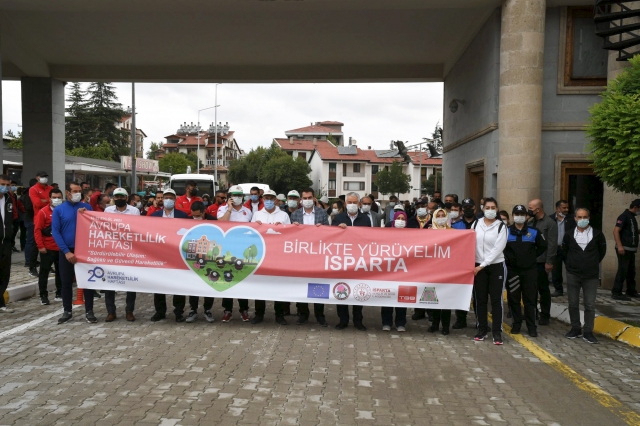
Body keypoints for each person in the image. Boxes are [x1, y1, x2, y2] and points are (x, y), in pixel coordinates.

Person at [53, 182, 96, 323]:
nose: (78, 193)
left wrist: (86, 215)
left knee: (87, 282)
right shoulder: (59, 210)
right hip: (67, 251)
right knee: (66, 282)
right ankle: (67, 311)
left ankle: (89, 310)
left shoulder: (86, 207)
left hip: (84, 250)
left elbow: (94, 227)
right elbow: (56, 232)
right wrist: (66, 251)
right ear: (68, 192)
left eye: (79, 191)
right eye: (75, 191)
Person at [563, 208, 607, 344]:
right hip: (573, 274)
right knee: (573, 303)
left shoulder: (598, 234)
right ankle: (575, 328)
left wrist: (590, 262)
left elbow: (602, 252)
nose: (582, 220)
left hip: (591, 275)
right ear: (575, 218)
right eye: (580, 217)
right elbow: (564, 252)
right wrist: (571, 264)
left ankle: (588, 331)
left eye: (585, 217)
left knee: (589, 304)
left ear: (589, 218)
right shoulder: (569, 234)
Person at [504, 205, 547, 337]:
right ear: (513, 216)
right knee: (514, 299)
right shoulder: (506, 231)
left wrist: (531, 257)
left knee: (530, 299)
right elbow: (501, 248)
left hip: (529, 271)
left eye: (522, 213)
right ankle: (516, 324)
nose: (519, 216)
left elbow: (542, 246)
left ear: (526, 216)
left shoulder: (534, 232)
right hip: (513, 271)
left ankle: (531, 326)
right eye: (516, 213)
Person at [251, 189, 291, 325]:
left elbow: (290, 234)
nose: (268, 200)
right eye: (266, 198)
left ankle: (279, 315)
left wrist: (283, 228)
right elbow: (251, 232)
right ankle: (259, 314)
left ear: (276, 200)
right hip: (261, 255)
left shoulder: (284, 215)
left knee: (277, 286)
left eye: (271, 198)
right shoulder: (256, 214)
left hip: (278, 256)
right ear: (262, 199)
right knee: (259, 286)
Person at [331, 192, 371, 331]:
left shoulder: (365, 219)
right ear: (345, 204)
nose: (352, 205)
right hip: (342, 260)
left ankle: (358, 320)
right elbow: (331, 238)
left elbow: (369, 239)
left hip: (359, 260)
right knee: (341, 289)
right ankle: (343, 320)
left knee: (358, 290)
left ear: (359, 204)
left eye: (355, 202)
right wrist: (338, 230)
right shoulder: (338, 218)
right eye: (350, 202)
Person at [291, 188, 330, 326]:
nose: (307, 201)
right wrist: (293, 228)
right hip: (300, 256)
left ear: (314, 198)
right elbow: (290, 236)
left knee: (319, 284)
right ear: (301, 200)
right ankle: (303, 313)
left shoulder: (322, 213)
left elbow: (329, 234)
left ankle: (320, 315)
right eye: (304, 198)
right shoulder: (295, 215)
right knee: (300, 284)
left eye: (309, 198)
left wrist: (323, 229)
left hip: (318, 256)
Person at [472, 197, 508, 345]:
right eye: (488, 207)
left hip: (495, 266)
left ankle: (497, 332)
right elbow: (466, 241)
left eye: (493, 207)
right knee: (479, 299)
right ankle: (482, 329)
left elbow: (497, 250)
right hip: (478, 267)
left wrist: (483, 265)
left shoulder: (501, 227)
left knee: (496, 300)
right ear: (483, 209)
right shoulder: (476, 224)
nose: (490, 210)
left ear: (497, 209)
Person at [150, 189, 189, 322]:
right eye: (165, 197)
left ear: (175, 199)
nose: (167, 200)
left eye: (170, 198)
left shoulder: (183, 216)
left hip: (177, 255)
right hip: (159, 255)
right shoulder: (154, 216)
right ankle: (160, 311)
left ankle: (179, 312)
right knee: (158, 285)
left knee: (178, 285)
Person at [103, 188, 140, 322]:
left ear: (126, 197)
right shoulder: (107, 211)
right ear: (113, 197)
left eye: (122, 196)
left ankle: (129, 311)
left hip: (129, 251)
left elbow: (137, 228)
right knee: (110, 282)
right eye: (117, 196)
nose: (119, 198)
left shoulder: (134, 211)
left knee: (130, 282)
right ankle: (111, 311)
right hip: (112, 250)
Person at [217, 185, 252, 322]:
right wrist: (229, 209)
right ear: (229, 196)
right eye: (234, 195)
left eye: (239, 195)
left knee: (242, 280)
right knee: (227, 279)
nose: (237, 198)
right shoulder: (222, 209)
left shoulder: (248, 212)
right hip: (226, 250)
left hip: (242, 250)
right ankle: (227, 310)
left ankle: (244, 310)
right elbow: (221, 223)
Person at [185, 201, 217, 324]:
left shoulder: (213, 221)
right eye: (193, 216)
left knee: (209, 284)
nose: (195, 218)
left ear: (204, 212)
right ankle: (193, 310)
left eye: (198, 216)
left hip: (208, 258)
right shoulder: (186, 220)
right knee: (193, 285)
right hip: (192, 258)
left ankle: (207, 310)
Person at [527, 199, 557, 326]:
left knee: (543, 289)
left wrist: (549, 261)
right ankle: (533, 313)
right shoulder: (530, 222)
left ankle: (545, 315)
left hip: (542, 261)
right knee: (531, 289)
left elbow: (552, 244)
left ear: (538, 209)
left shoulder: (549, 223)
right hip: (531, 261)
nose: (528, 210)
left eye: (530, 208)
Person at [426, 208, 454, 335]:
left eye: (443, 215)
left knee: (446, 299)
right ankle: (435, 324)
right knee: (434, 299)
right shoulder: (429, 232)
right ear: (434, 217)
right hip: (433, 269)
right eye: (439, 215)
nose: (441, 217)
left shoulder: (453, 232)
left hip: (447, 270)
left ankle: (446, 326)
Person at [451, 198, 478, 329]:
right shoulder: (455, 226)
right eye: (465, 207)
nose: (468, 209)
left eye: (470, 207)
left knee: (479, 294)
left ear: (475, 209)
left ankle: (480, 321)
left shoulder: (481, 225)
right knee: (460, 292)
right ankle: (461, 320)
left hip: (477, 263)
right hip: (460, 264)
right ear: (462, 210)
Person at [381, 209, 410, 332]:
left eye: (403, 219)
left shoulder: (412, 235)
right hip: (388, 270)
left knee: (402, 297)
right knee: (387, 296)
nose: (400, 221)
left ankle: (400, 323)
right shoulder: (386, 234)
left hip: (404, 270)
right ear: (394, 219)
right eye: (398, 219)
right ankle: (386, 322)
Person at [34, 188, 64, 305]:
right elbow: (37, 230)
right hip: (47, 248)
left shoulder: (64, 211)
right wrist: (40, 246)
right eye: (54, 197)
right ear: (49, 199)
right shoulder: (43, 212)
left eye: (59, 197)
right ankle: (43, 295)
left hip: (61, 248)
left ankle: (59, 293)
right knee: (44, 272)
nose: (57, 199)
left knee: (60, 272)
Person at [611, 199, 640, 300]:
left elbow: (631, 231)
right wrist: (620, 246)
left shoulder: (632, 217)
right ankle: (616, 292)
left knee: (631, 271)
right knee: (623, 270)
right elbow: (616, 231)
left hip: (631, 249)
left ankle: (631, 291)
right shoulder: (624, 216)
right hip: (624, 248)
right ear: (635, 207)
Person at [550, 199, 575, 297]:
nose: (566, 209)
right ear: (557, 209)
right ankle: (558, 290)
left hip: (568, 248)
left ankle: (573, 289)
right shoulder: (551, 219)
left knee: (571, 269)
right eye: (564, 208)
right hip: (555, 248)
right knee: (556, 270)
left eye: (567, 207)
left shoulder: (572, 219)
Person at [0, 175, 15, 313]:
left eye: (7, 184)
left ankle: (1, 302)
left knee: (5, 272)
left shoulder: (9, 199)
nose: (5, 186)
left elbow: (12, 219)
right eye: (2, 184)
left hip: (6, 242)